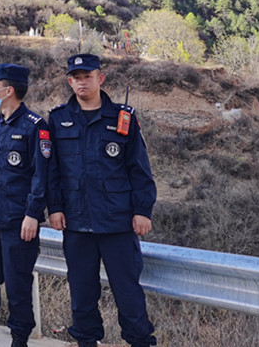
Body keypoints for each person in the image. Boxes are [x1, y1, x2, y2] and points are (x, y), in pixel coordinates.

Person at [47, 54, 157, 347]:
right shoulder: (58, 119)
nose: (82, 82)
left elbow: (139, 168)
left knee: (127, 293)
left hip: (117, 222)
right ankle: (86, 341)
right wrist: (54, 207)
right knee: (82, 293)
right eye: (76, 77)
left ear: (100, 78)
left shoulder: (122, 118)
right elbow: (53, 170)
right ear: (70, 81)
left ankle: (140, 342)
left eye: (88, 76)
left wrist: (143, 210)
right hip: (76, 222)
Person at [0, 63, 48, 347]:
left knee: (17, 287)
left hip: (19, 222)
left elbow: (41, 175)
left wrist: (33, 214)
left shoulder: (34, 126)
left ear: (9, 90)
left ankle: (19, 340)